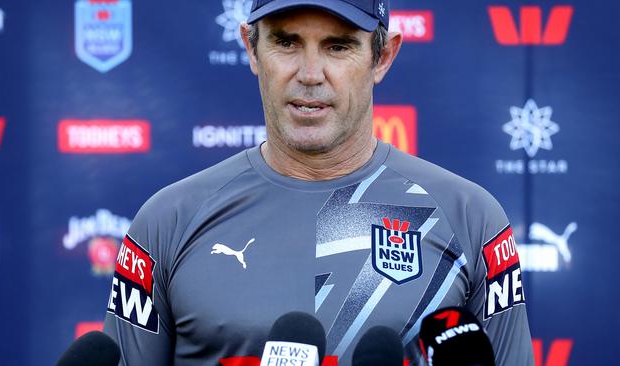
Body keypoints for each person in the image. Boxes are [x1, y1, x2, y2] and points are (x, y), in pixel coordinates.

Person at [104, 1, 534, 365]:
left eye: (338, 46)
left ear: (383, 57)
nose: (310, 74)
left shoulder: (470, 217)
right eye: (286, 42)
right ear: (251, 49)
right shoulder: (167, 222)